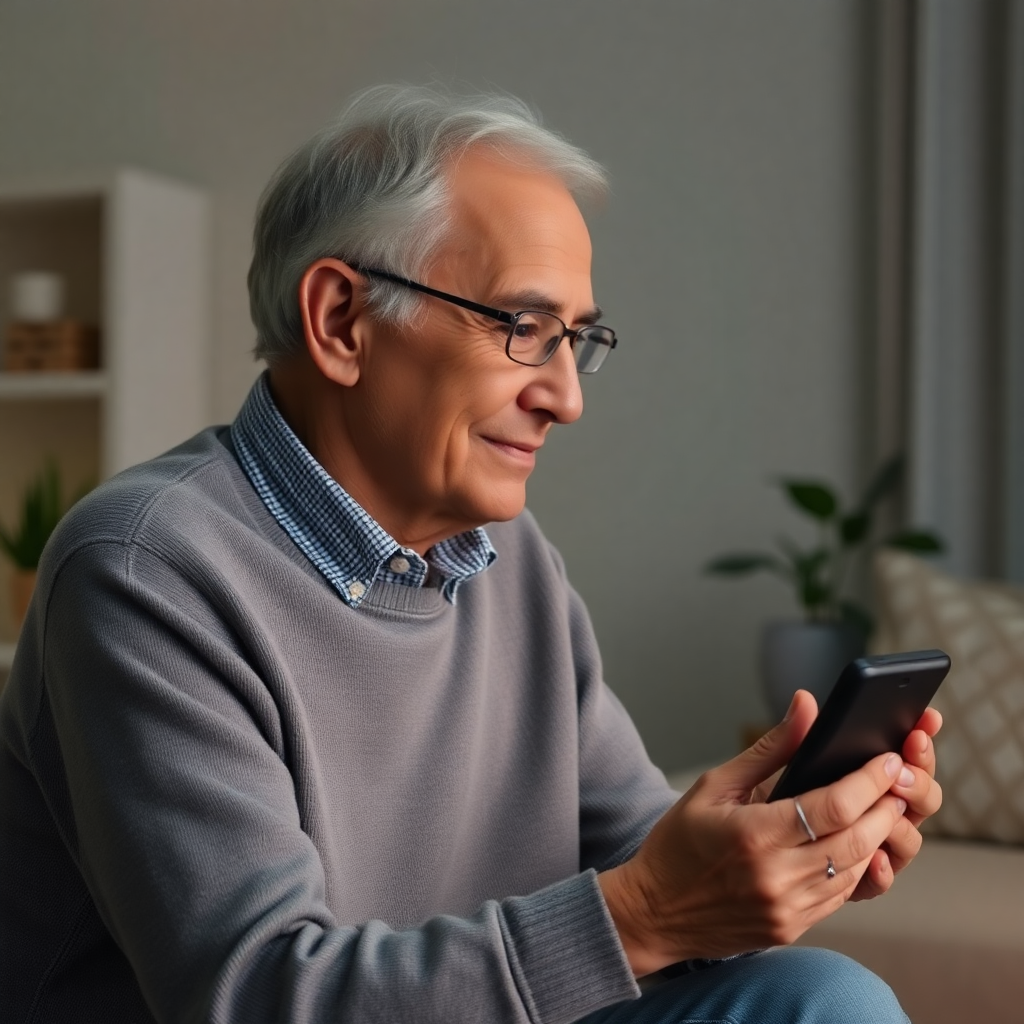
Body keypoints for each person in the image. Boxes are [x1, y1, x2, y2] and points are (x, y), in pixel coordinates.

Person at [0, 85, 941, 1024]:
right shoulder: (144, 571)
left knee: (823, 999)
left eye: (577, 339)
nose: (566, 396)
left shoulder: (510, 559)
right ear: (340, 321)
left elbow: (633, 850)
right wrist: (648, 913)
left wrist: (778, 842)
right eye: (523, 329)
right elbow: (257, 998)